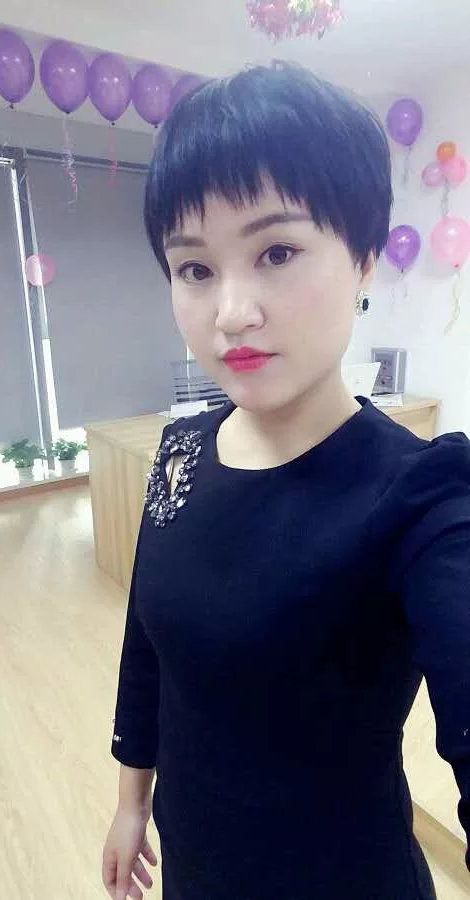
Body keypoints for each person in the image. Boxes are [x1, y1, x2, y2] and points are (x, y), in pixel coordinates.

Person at [102, 63, 470, 900]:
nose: (231, 312)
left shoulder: (422, 496)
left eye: (276, 251)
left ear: (366, 259)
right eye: (195, 269)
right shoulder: (182, 451)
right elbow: (148, 645)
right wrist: (131, 800)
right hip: (193, 869)